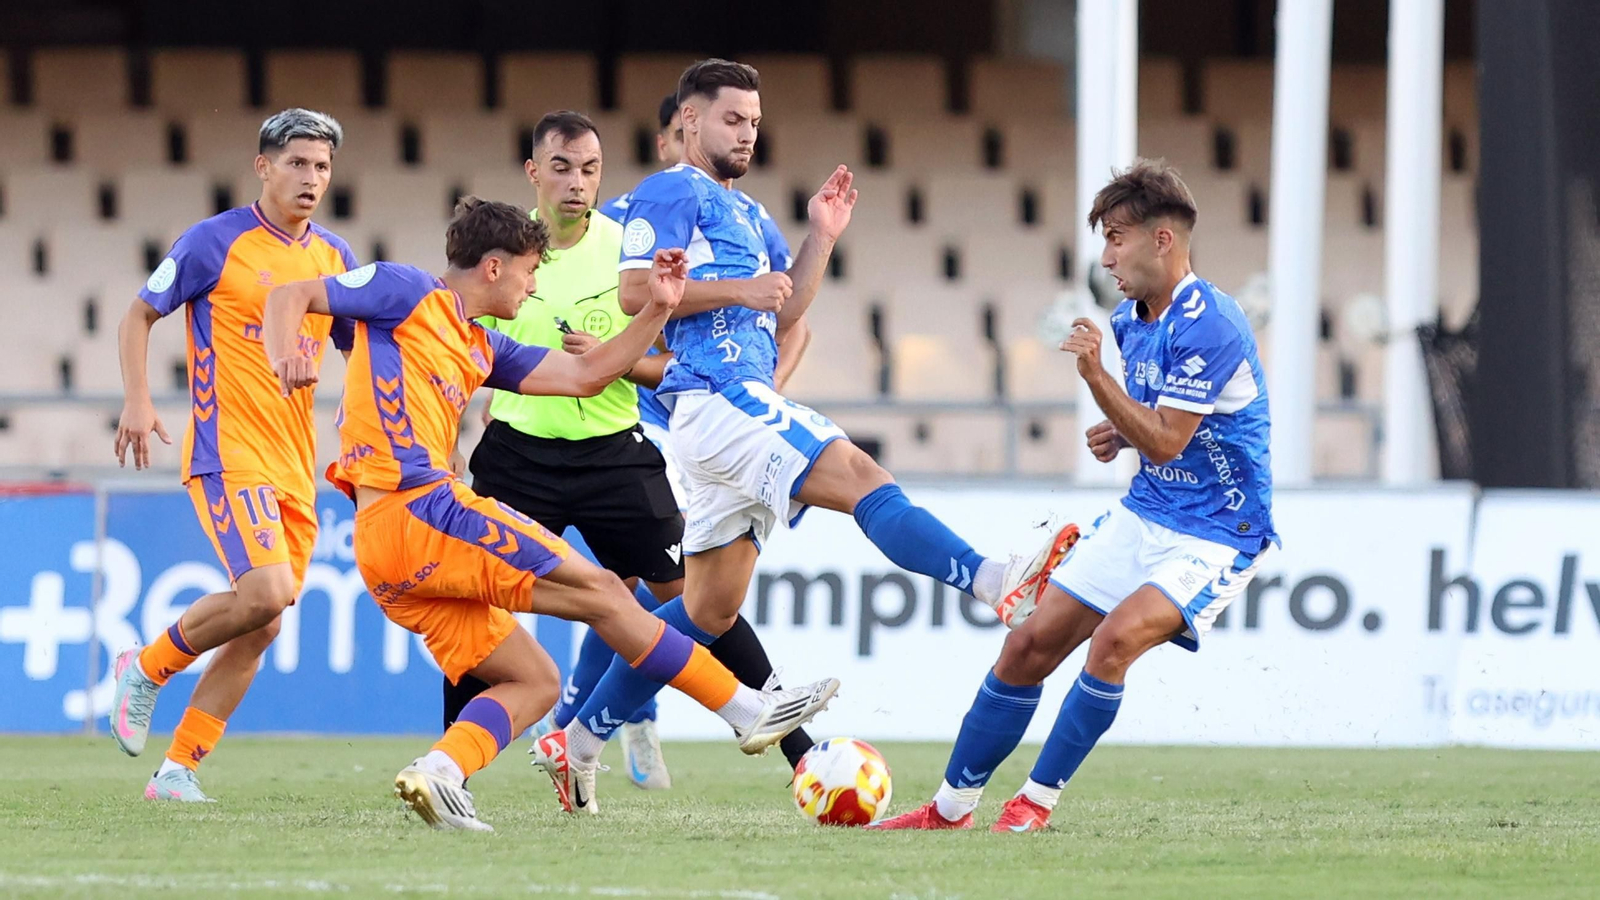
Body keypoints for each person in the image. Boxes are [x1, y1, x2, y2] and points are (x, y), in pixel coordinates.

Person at [533, 58, 1071, 812]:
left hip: (728, 408)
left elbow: (783, 312)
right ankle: (991, 580)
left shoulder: (748, 211)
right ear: (689, 120)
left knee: (708, 611)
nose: (746, 133)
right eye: (732, 119)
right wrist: (739, 288)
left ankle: (578, 741)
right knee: (860, 474)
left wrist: (820, 238)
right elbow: (632, 293)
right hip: (718, 397)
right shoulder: (669, 190)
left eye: (754, 122)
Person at [263, 197, 838, 829]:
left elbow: (588, 374)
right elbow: (291, 293)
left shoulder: (481, 346)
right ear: (493, 267)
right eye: (530, 271)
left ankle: (441, 770)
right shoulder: (407, 290)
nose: (533, 286)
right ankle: (746, 712)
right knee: (605, 592)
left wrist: (658, 308)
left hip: (384, 550)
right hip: (421, 508)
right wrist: (286, 353)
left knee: (534, 680)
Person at [870, 161, 1279, 832]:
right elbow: (1160, 423)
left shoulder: (1213, 322)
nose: (1107, 257)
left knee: (1113, 642)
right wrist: (1121, 432)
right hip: (1146, 512)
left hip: (1217, 533)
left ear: (1162, 240)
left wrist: (1096, 380)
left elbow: (1168, 441)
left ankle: (1033, 803)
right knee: (1028, 645)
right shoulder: (1130, 319)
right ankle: (949, 810)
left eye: (1117, 238)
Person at [540, 92, 822, 780]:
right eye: (672, 135)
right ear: (669, 139)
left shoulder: (744, 219)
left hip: (706, 417)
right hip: (641, 422)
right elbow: (606, 321)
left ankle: (592, 723)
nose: (681, 150)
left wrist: (758, 394)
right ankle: (602, 721)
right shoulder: (623, 222)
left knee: (655, 591)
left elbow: (792, 320)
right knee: (647, 587)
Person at [109, 108, 358, 803]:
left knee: (264, 619)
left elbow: (358, 348)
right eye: (298, 163)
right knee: (266, 593)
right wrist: (138, 399)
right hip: (228, 449)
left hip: (294, 462)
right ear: (263, 166)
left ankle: (177, 771)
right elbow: (138, 314)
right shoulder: (214, 242)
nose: (312, 178)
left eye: (322, 167)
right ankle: (147, 666)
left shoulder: (335, 257)